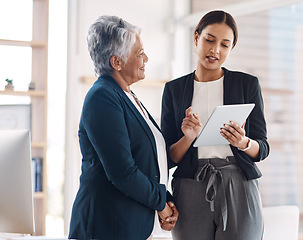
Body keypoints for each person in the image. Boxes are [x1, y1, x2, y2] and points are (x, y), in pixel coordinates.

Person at [161, 10, 270, 240]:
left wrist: (243, 142)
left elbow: (262, 148)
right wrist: (188, 137)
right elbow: (169, 156)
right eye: (209, 40)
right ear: (196, 37)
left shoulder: (247, 84)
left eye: (224, 44)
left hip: (238, 182)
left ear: (231, 48)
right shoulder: (174, 90)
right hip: (190, 184)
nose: (215, 50)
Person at [68, 15, 178, 240]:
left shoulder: (126, 95)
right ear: (116, 62)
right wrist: (160, 203)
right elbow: (123, 172)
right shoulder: (102, 97)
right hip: (104, 226)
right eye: (139, 53)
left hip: (127, 225)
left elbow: (146, 160)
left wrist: (164, 198)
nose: (146, 58)